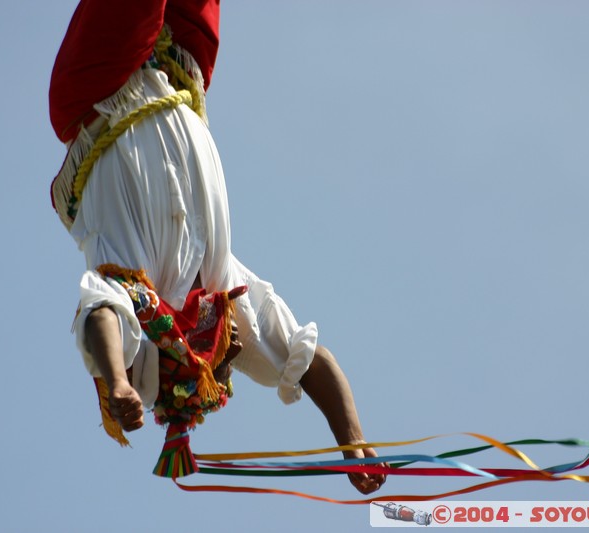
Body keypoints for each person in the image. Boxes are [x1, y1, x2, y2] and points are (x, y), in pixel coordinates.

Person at [49, 0, 385, 494]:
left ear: (182, 358)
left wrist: (119, 383)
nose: (232, 360)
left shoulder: (131, 293)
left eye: (220, 371)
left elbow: (100, 313)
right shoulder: (224, 290)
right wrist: (351, 440)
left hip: (94, 90)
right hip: (179, 71)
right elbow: (308, 360)